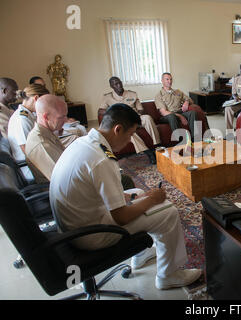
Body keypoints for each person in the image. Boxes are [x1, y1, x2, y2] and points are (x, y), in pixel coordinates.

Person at [50, 103, 201, 289]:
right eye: (130, 135)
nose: (130, 141)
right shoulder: (102, 160)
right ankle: (169, 275)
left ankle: (140, 255)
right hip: (90, 235)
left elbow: (97, 191)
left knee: (136, 193)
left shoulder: (85, 143)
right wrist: (153, 200)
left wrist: (138, 199)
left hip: (72, 225)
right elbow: (121, 217)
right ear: (117, 129)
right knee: (168, 211)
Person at [26, 95, 135, 189]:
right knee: (123, 180)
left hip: (73, 179)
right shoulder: (41, 143)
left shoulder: (47, 133)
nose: (65, 120)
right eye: (62, 117)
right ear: (46, 117)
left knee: (116, 174)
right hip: (64, 192)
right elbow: (62, 180)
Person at [101, 76, 160, 164]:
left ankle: (157, 145)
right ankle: (148, 153)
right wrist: (112, 113)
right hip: (123, 121)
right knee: (126, 130)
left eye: (119, 82)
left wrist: (138, 114)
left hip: (135, 117)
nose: (119, 85)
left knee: (147, 118)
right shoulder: (107, 97)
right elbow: (100, 110)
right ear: (111, 86)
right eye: (116, 84)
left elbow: (140, 109)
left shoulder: (132, 94)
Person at [8, 84, 50, 181]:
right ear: (36, 98)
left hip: (35, 162)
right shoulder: (22, 119)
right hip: (31, 169)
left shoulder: (27, 114)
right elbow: (27, 150)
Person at [154, 72, 198, 141]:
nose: (170, 81)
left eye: (171, 79)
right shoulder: (159, 95)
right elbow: (163, 112)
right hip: (167, 116)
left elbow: (190, 100)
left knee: (192, 113)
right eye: (167, 79)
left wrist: (186, 102)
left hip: (179, 112)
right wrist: (180, 116)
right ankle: (180, 141)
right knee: (172, 116)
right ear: (162, 81)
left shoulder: (177, 92)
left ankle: (195, 139)